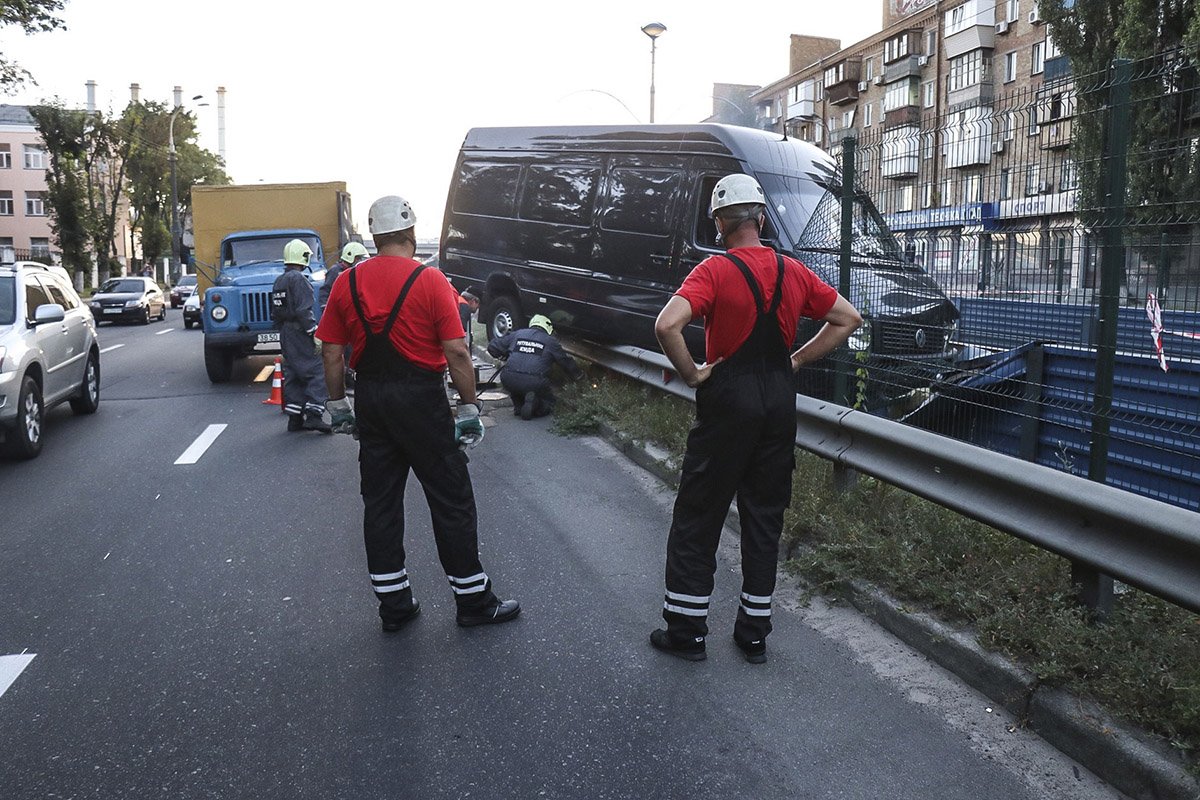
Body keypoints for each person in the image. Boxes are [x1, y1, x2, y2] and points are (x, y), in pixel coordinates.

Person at [650, 174, 862, 664]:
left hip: (727, 400)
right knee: (764, 518)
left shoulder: (713, 271)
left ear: (721, 223)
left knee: (700, 514)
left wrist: (694, 374)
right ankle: (753, 633)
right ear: (762, 218)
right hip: (777, 400)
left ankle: (686, 631)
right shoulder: (793, 271)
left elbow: (667, 325)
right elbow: (848, 319)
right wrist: (798, 361)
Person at [316, 194, 520, 630]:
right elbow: (457, 352)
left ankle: (394, 606)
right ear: (410, 233)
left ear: (374, 236)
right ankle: (473, 603)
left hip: (372, 400)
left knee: (381, 503)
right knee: (451, 500)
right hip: (422, 402)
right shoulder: (430, 281)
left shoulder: (345, 283)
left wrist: (339, 405)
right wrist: (468, 407)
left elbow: (331, 352)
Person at [270, 239, 331, 433]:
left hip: (286, 332)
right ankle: (314, 415)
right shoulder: (300, 279)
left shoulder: (280, 280)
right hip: (299, 331)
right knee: (316, 371)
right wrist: (314, 332)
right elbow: (304, 310)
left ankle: (294, 419)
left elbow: (276, 312)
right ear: (303, 257)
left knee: (294, 372)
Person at [486, 314, 583, 420]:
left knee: (516, 388)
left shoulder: (518, 334)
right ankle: (536, 404)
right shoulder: (550, 341)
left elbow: (492, 347)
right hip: (534, 381)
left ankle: (519, 406)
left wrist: (505, 356)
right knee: (550, 401)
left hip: (508, 378)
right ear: (548, 327)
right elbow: (565, 361)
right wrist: (579, 376)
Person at [319, 241, 369, 307]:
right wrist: (325, 306)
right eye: (358, 258)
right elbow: (326, 290)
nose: (360, 261)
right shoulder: (335, 271)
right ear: (350, 256)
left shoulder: (357, 272)